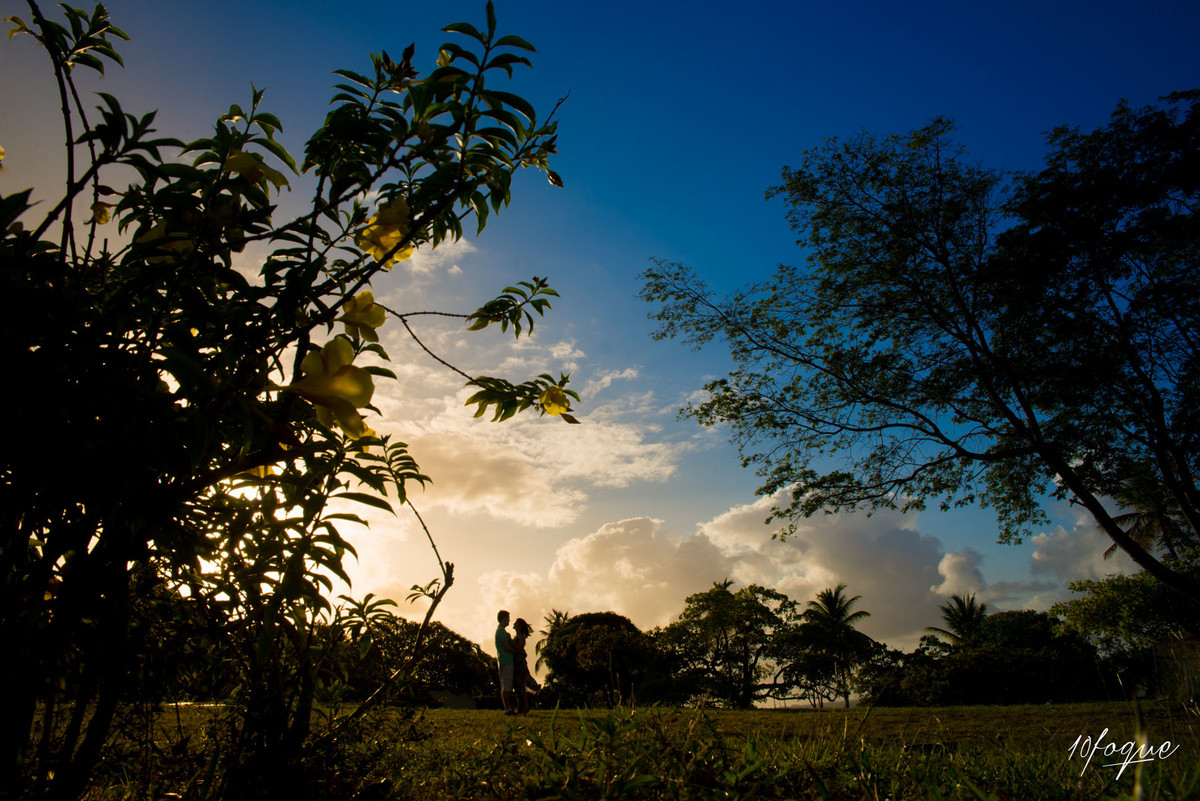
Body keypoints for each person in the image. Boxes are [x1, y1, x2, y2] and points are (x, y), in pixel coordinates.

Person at [511, 617, 541, 714]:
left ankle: (523, 707)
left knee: (520, 686)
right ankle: (523, 707)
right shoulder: (518, 636)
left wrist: (510, 642)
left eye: (515, 623)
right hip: (518, 663)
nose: (513, 624)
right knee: (519, 686)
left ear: (519, 626)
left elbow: (519, 649)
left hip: (520, 664)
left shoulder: (521, 637)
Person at [495, 610, 518, 714]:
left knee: (505, 685)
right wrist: (517, 652)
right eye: (508, 618)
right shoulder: (501, 631)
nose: (509, 620)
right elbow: (506, 647)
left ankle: (507, 708)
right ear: (503, 618)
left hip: (504, 661)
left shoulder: (501, 631)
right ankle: (508, 708)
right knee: (507, 686)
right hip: (506, 660)